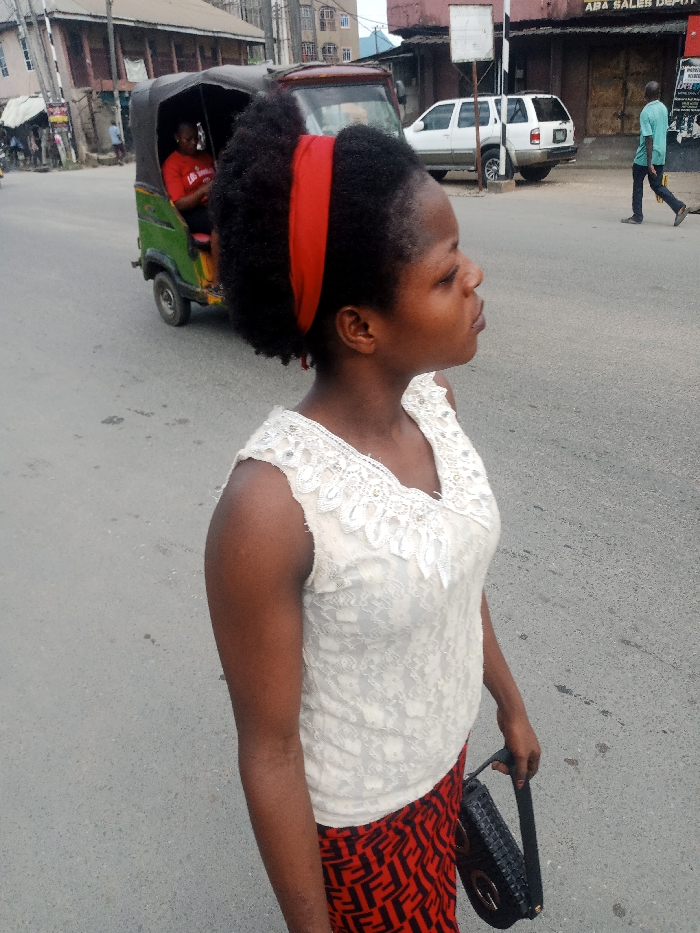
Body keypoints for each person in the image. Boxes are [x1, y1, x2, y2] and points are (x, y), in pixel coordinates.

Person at [205, 94, 541, 933]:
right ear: (359, 325)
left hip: (446, 763)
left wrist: (508, 699)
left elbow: (451, 570)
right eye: (444, 274)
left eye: (461, 256)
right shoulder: (269, 508)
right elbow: (271, 751)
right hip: (366, 830)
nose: (474, 276)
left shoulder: (433, 402)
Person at [161, 120, 221, 291]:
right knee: (220, 224)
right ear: (177, 138)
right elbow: (179, 203)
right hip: (191, 211)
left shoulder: (205, 157)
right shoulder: (172, 164)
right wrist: (203, 190)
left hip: (213, 203)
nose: (194, 143)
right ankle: (218, 281)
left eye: (196, 138)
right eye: (188, 139)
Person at [622, 81, 688, 227]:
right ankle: (679, 207)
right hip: (660, 153)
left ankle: (637, 216)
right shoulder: (663, 108)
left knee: (637, 184)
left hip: (645, 156)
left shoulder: (646, 112)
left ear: (645, 94)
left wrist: (649, 162)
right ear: (658, 93)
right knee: (656, 185)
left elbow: (648, 138)